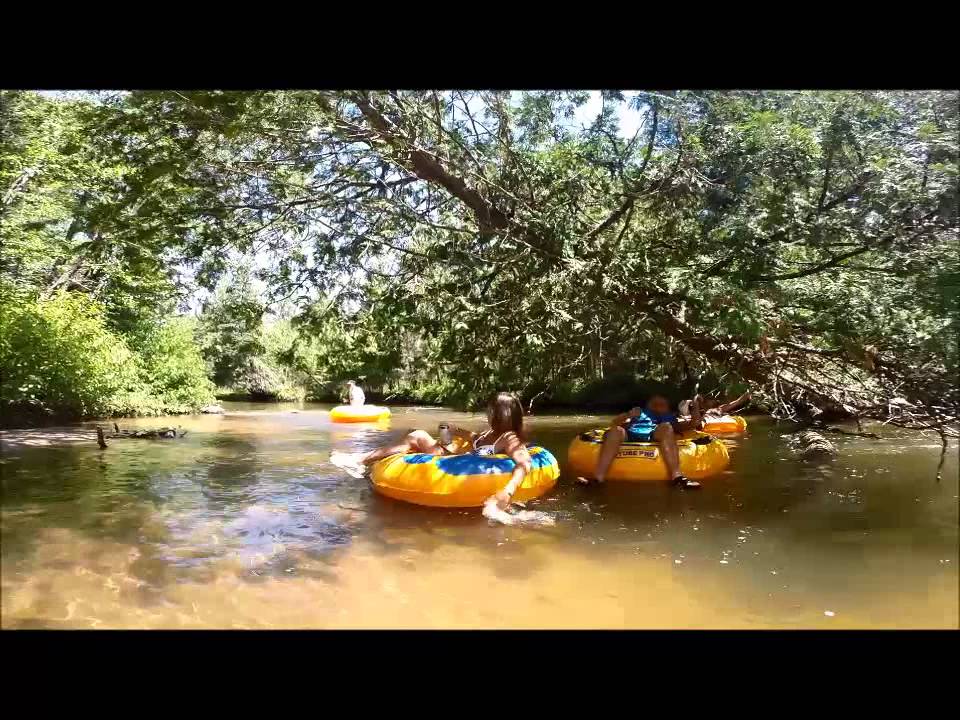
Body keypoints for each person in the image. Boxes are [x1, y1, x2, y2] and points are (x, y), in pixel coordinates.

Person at [330, 392, 534, 516]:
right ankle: (364, 462)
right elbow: (475, 438)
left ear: (500, 414)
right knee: (413, 435)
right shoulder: (490, 433)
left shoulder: (509, 438)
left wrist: (507, 492)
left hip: (458, 468)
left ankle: (359, 460)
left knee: (417, 436)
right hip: (457, 460)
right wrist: (455, 429)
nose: (487, 413)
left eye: (490, 410)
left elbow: (524, 462)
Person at [575, 394, 704, 489]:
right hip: (631, 433)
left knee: (667, 427)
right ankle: (598, 478)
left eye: (662, 403)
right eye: (655, 402)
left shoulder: (670, 416)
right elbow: (614, 423)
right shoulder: (639, 412)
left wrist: (695, 406)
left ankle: (677, 477)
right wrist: (628, 415)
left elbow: (693, 424)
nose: (658, 404)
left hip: (654, 434)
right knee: (615, 431)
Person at [679, 390, 751, 419]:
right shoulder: (689, 418)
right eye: (693, 404)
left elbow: (731, 405)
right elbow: (690, 418)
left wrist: (742, 398)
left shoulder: (711, 411)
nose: (697, 404)